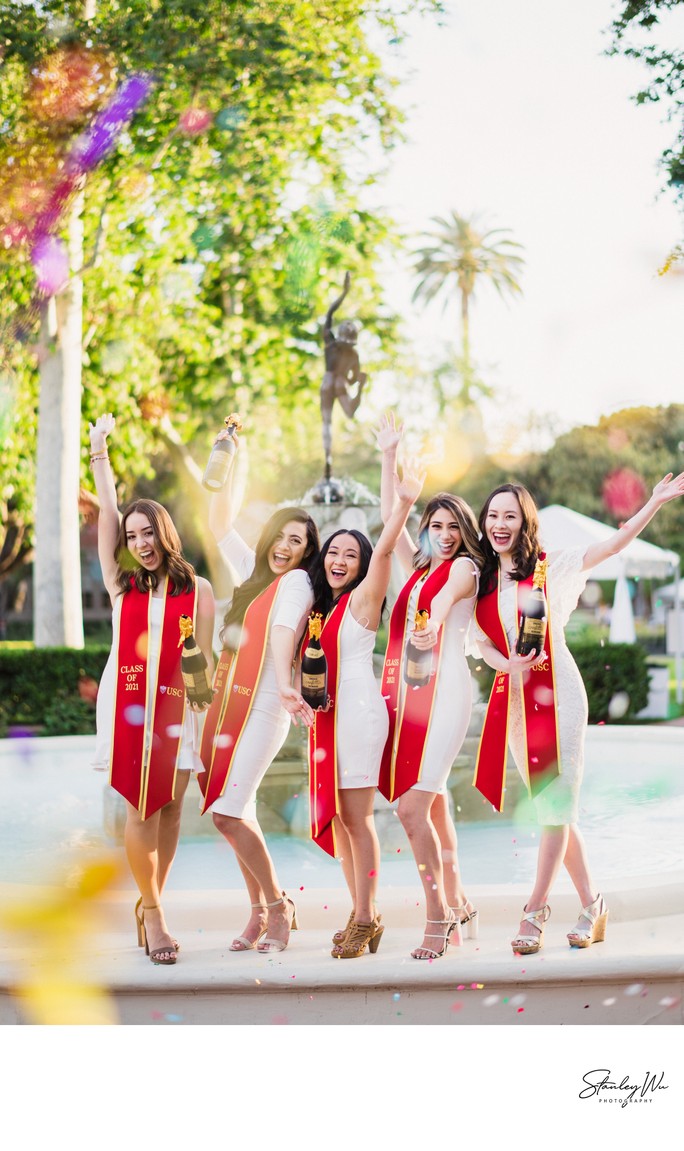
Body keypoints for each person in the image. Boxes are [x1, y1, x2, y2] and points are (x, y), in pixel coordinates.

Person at [473, 472, 684, 955]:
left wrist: (652, 502)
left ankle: (535, 910)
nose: (500, 524)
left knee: (553, 805)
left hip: (560, 693)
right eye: (493, 515)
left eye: (510, 516)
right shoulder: (481, 581)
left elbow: (612, 546)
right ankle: (593, 904)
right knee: (555, 809)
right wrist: (505, 663)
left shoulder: (551, 567)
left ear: (524, 523)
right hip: (517, 701)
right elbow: (483, 645)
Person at [89, 413, 215, 966]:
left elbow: (204, 663)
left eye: (148, 533)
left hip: (179, 709)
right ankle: (156, 914)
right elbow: (109, 516)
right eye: (131, 535)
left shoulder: (199, 590)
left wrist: (206, 715)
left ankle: (149, 902)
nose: (139, 543)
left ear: (165, 533)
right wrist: (99, 453)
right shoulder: (122, 585)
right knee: (142, 806)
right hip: (131, 705)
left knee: (170, 810)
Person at [303, 452, 425, 959]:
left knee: (357, 819)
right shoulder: (322, 609)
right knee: (341, 820)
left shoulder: (361, 600)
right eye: (333, 551)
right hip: (329, 719)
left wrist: (402, 501)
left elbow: (384, 552)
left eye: (350, 554)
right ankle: (360, 911)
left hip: (356, 716)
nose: (339, 560)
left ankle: (366, 917)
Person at [202, 428, 320, 953]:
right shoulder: (253, 579)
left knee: (228, 813)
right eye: (281, 535)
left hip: (267, 703)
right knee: (238, 812)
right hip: (231, 701)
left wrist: (290, 683)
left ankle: (277, 908)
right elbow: (219, 522)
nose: (286, 546)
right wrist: (232, 456)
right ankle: (257, 913)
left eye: (298, 541)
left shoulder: (297, 585)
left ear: (306, 553)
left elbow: (282, 634)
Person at [377, 414, 484, 960]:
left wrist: (430, 622)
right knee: (435, 804)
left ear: (465, 534)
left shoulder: (465, 567)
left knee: (411, 808)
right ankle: (460, 898)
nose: (443, 535)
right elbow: (387, 523)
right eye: (436, 526)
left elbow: (442, 608)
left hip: (444, 695)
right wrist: (389, 456)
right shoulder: (417, 567)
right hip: (409, 695)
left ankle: (438, 916)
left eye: (452, 527)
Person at [320, 271, 366, 477]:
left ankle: (328, 458)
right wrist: (360, 385)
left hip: (327, 382)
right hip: (340, 384)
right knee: (348, 412)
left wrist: (344, 293)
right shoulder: (353, 355)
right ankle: (328, 460)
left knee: (327, 421)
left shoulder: (331, 345)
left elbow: (329, 315)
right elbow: (354, 379)